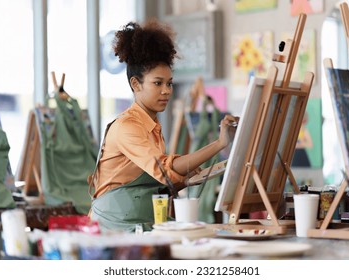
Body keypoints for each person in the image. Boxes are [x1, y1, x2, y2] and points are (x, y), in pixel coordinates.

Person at [89, 19, 239, 232]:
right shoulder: (127, 127)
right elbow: (165, 169)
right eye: (157, 83)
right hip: (113, 230)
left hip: (140, 224)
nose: (167, 91)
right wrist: (220, 143)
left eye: (169, 83)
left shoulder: (152, 125)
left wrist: (186, 180)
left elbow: (155, 180)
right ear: (136, 84)